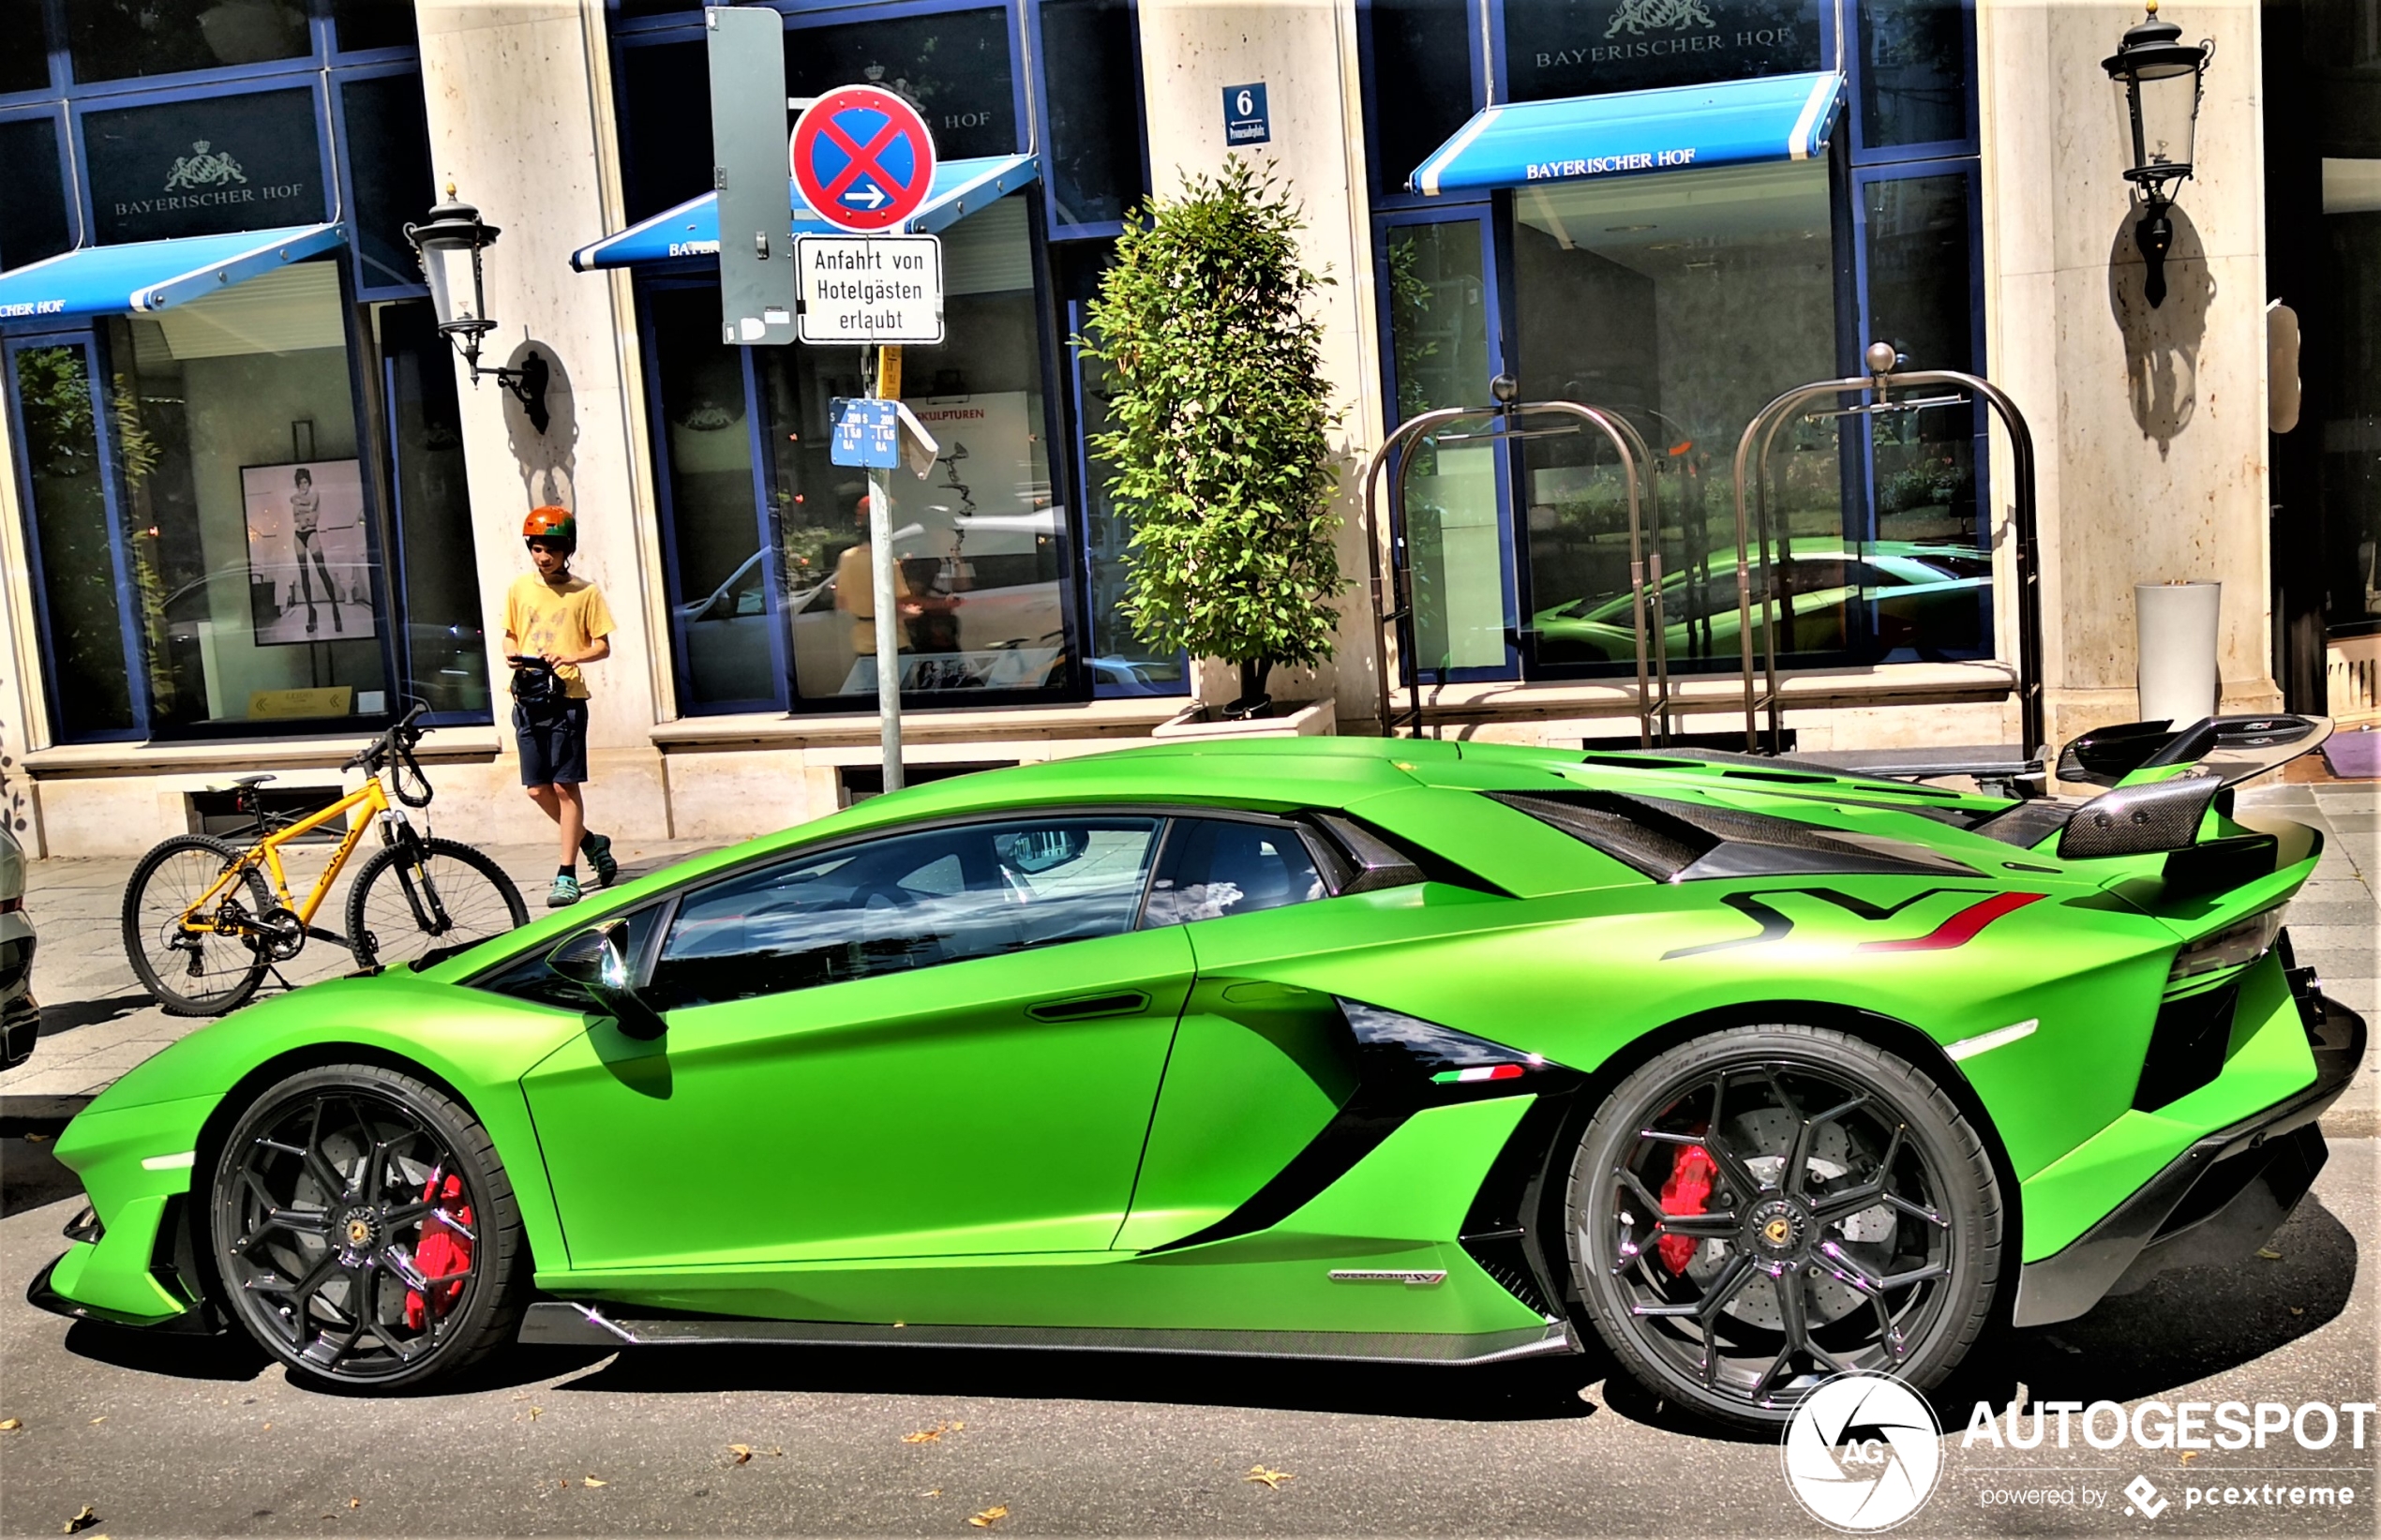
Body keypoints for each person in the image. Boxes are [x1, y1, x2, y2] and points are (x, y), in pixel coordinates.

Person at [503, 506, 619, 907]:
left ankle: (566, 873)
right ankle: (590, 840)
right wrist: (512, 653)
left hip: (566, 699)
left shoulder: (585, 593)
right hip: (528, 697)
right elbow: (509, 635)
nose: (543, 556)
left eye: (551, 549)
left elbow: (602, 646)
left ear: (567, 549)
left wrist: (572, 655)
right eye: (537, 549)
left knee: (564, 786)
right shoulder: (520, 589)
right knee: (537, 790)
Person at [289, 467, 340, 635]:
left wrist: (300, 506)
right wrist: (304, 510)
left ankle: (335, 609)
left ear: (309, 482)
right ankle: (311, 613)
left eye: (305, 482)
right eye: (300, 483)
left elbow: (311, 517)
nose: (303, 486)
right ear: (297, 485)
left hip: (311, 533)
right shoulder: (299, 498)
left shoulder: (314, 495)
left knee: (322, 571)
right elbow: (297, 519)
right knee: (304, 575)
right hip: (298, 535)